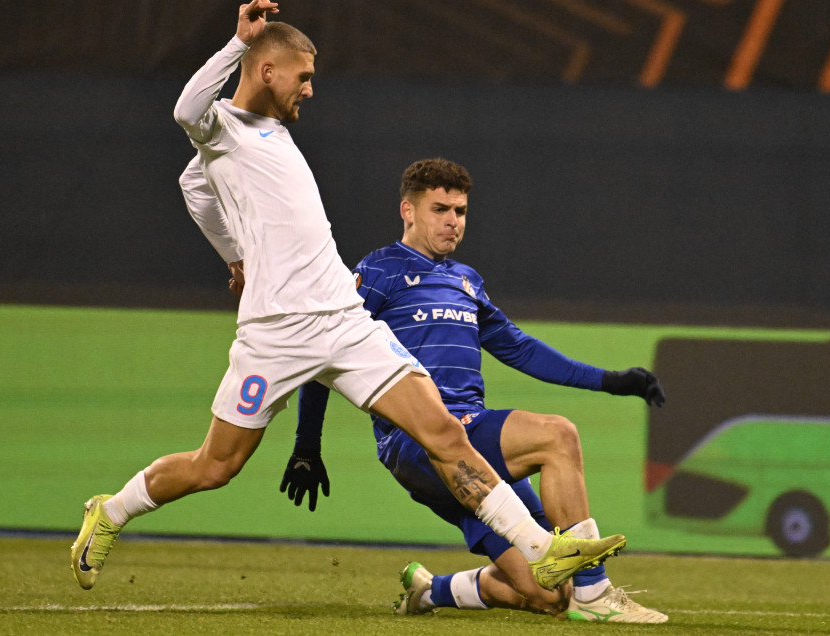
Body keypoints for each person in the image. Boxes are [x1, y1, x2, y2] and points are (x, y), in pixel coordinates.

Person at [70, 1, 625, 593]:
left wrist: (233, 254)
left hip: (344, 318)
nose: (310, 87)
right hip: (276, 332)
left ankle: (542, 549)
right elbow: (186, 113)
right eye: (302, 75)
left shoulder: (270, 137)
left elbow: (194, 189)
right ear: (266, 71)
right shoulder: (221, 128)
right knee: (215, 466)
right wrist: (238, 42)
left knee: (444, 433)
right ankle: (112, 510)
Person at [280, 158, 669, 622]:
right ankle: (595, 592)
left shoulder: (466, 280)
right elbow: (326, 352)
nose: (452, 221)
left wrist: (611, 381)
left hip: (471, 455)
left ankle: (430, 590)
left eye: (460, 211)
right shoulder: (379, 271)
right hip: (420, 441)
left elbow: (520, 349)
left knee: (547, 596)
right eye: (440, 209)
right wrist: (307, 446)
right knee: (557, 436)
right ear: (408, 210)